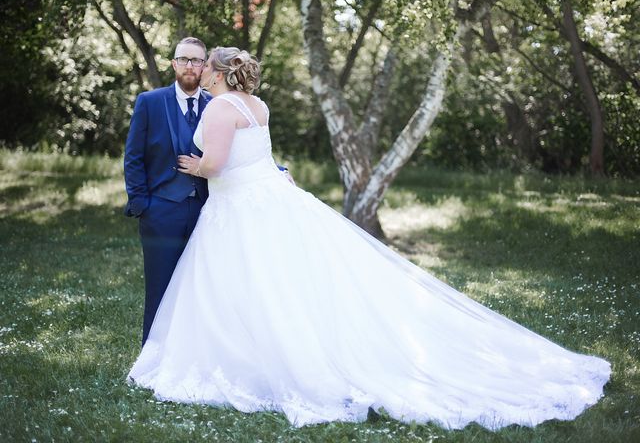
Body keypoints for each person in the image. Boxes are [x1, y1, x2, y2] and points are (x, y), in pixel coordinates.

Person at [127, 47, 610, 430]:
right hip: (269, 196)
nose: (202, 71)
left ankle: (250, 357)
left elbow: (214, 165)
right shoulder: (258, 105)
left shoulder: (217, 110)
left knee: (247, 285)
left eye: (205, 64)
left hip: (236, 208)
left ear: (216, 71)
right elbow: (256, 156)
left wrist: (192, 165)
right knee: (277, 282)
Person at [123, 37, 211, 345]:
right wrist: (142, 204)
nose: (190, 66)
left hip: (207, 211)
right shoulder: (150, 102)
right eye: (184, 59)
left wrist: (279, 170)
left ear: (205, 66)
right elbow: (133, 157)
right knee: (160, 287)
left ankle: (191, 352)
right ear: (173, 63)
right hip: (160, 210)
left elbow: (240, 151)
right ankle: (153, 355)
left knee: (201, 289)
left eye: (197, 60)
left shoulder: (216, 105)